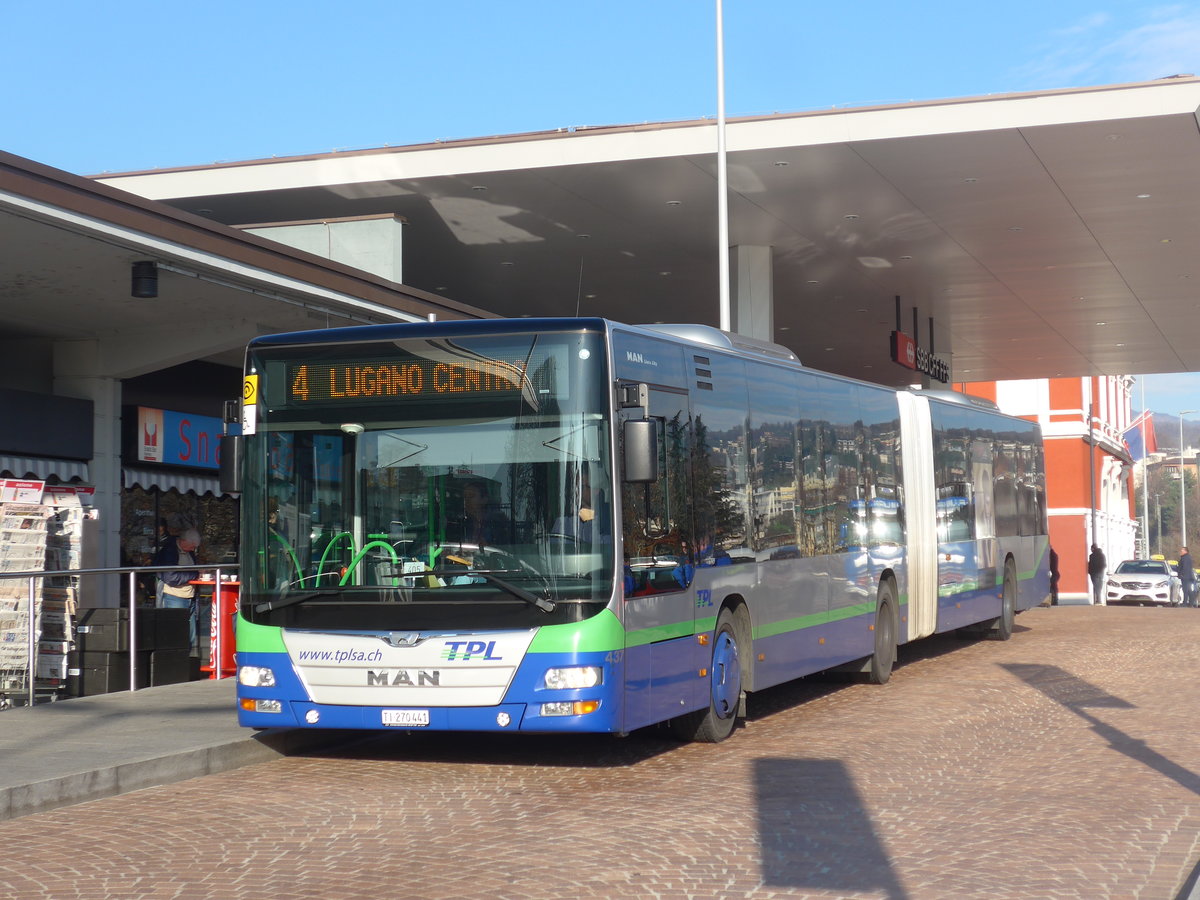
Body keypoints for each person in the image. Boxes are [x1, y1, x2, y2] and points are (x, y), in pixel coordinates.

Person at [154, 528, 201, 651]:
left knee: (189, 636)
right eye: (192, 546)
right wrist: (195, 574)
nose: (193, 549)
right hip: (174, 596)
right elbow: (171, 577)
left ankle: (185, 657)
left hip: (189, 596)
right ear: (184, 541)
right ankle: (174, 658)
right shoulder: (169, 551)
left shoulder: (187, 551)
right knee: (175, 633)